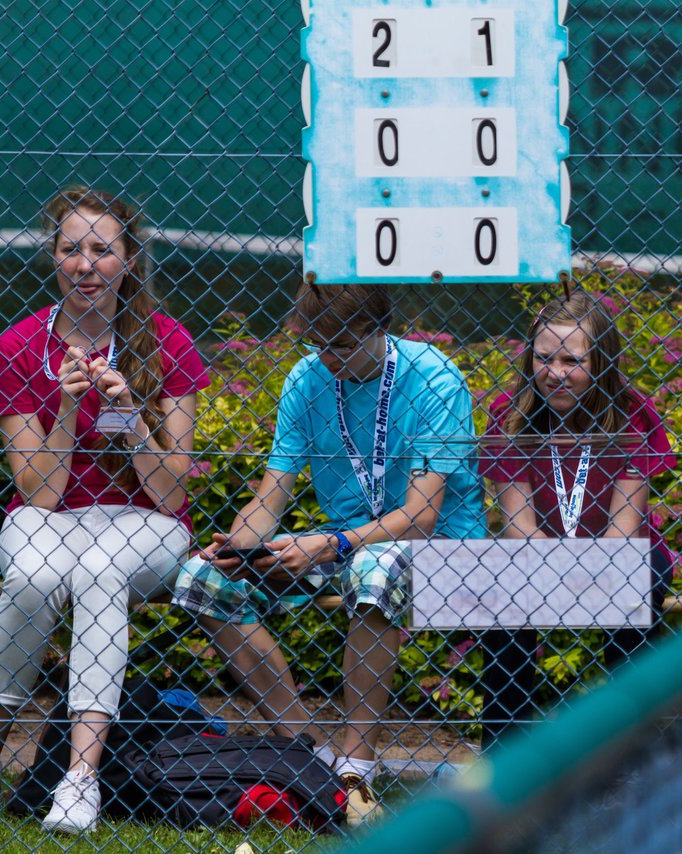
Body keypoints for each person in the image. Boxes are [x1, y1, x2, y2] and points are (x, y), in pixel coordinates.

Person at [0, 186, 209, 832]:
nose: (86, 264)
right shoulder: (21, 345)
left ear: (129, 261)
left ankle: (79, 778)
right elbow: (41, 493)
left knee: (102, 565)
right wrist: (67, 406)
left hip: (144, 523)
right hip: (52, 515)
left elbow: (170, 493)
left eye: (102, 250)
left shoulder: (167, 341)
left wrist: (132, 416)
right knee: (33, 575)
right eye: (71, 249)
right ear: (54, 258)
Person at [171, 282, 486, 824]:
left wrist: (328, 544)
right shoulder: (307, 375)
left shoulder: (434, 376)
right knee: (202, 580)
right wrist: (240, 545)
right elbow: (272, 493)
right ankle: (307, 753)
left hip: (439, 548)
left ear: (379, 329)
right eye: (317, 344)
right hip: (339, 544)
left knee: (374, 566)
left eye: (340, 345)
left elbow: (421, 514)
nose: (326, 358)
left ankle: (355, 770)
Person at [478, 291, 675, 727]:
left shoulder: (631, 414)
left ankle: (633, 737)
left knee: (636, 579)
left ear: (601, 362)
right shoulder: (509, 415)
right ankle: (505, 756)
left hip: (620, 549)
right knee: (504, 588)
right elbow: (518, 525)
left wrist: (581, 570)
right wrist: (555, 567)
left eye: (572, 361)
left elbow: (623, 528)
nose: (555, 373)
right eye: (544, 358)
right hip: (535, 549)